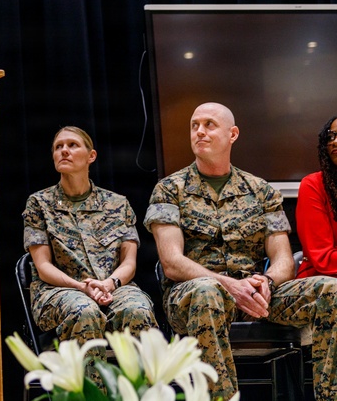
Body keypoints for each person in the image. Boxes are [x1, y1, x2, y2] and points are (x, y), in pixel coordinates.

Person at [145, 102, 337, 401]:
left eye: (209, 124)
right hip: (193, 297)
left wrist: (267, 282)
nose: (199, 131)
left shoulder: (261, 191)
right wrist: (230, 285)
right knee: (208, 291)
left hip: (255, 294)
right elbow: (172, 263)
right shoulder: (169, 189)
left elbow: (284, 259)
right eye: (194, 125)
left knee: (331, 289)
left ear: (232, 134)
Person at [22, 126, 158, 352]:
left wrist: (109, 284)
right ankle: (87, 388)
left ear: (91, 156)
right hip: (60, 291)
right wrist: (81, 287)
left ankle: (138, 387)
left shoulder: (117, 204)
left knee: (138, 310)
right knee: (84, 311)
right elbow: (43, 266)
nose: (64, 151)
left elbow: (129, 263)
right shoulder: (39, 204)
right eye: (58, 147)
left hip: (114, 286)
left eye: (72, 145)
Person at [295, 115, 337, 278]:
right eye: (330, 137)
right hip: (322, 281)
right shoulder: (313, 185)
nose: (334, 142)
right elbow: (322, 258)